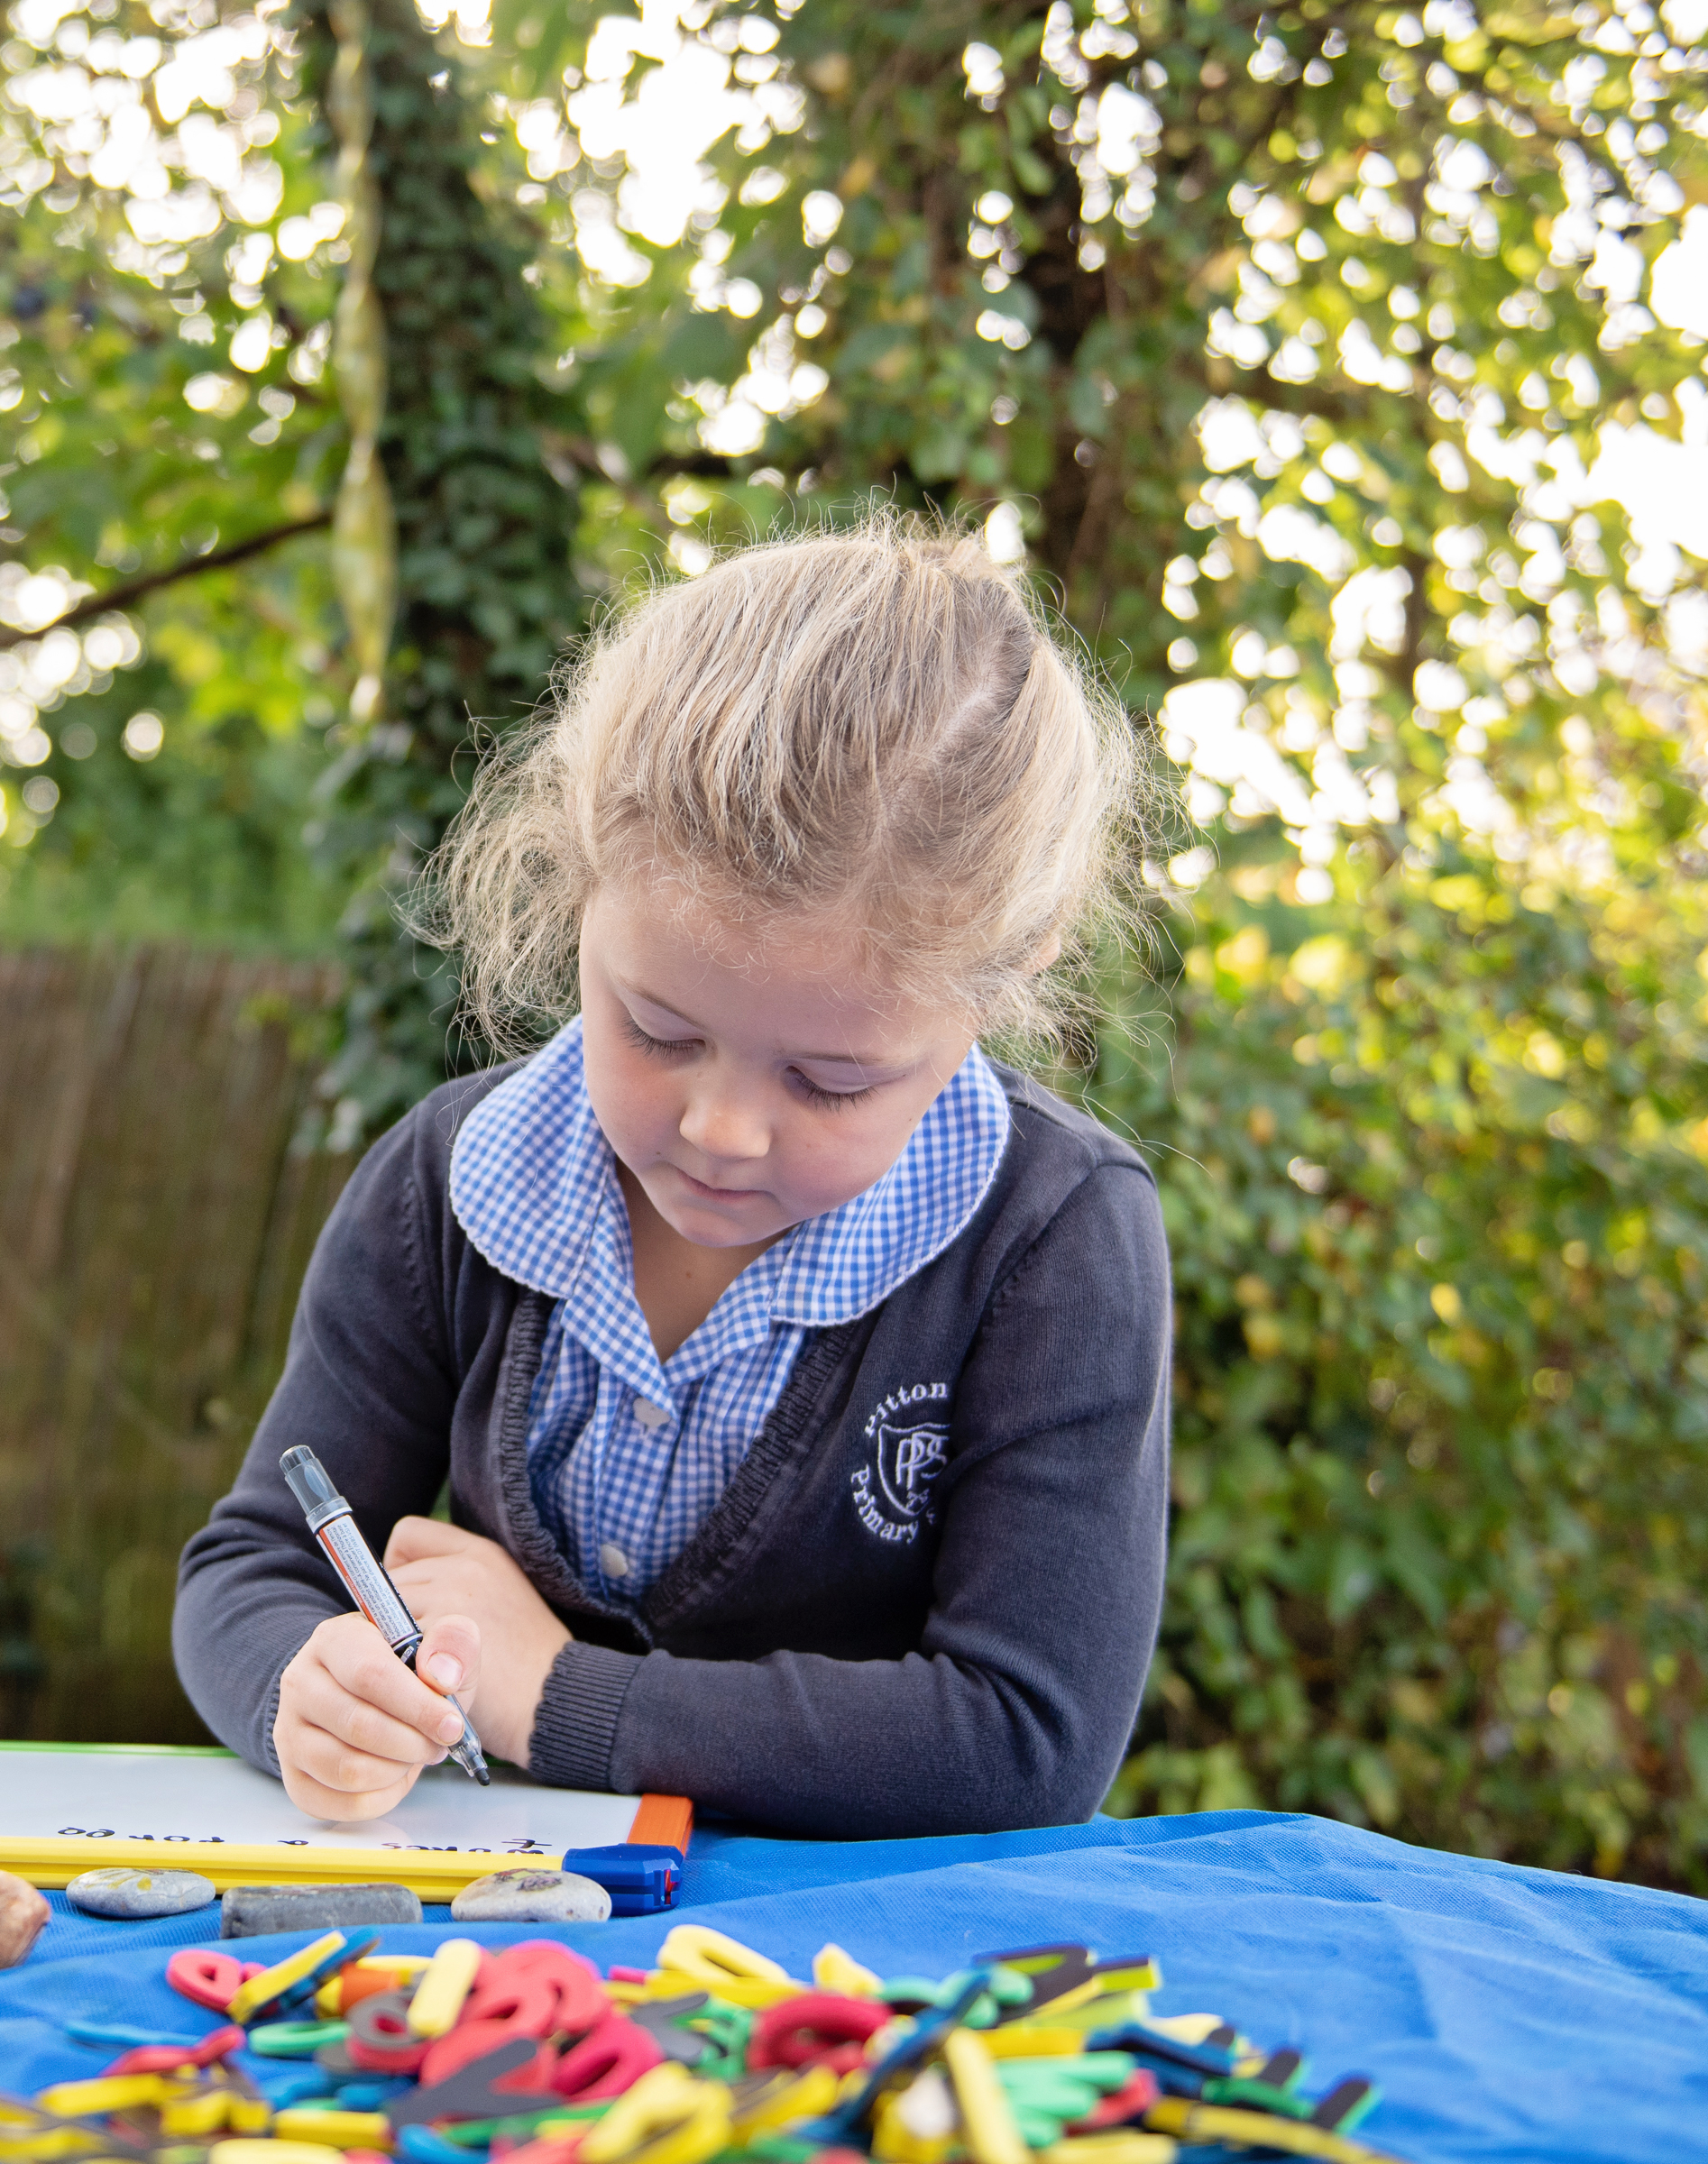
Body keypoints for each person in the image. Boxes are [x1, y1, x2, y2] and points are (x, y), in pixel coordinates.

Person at [171, 514, 1174, 1839]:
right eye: (656, 1029)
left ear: (1016, 964)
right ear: (578, 889)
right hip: (511, 1949)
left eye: (829, 1082)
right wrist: (307, 1689)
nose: (722, 1130)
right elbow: (252, 1566)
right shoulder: (451, 1181)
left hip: (865, 1970)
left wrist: (554, 1699)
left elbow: (1023, 1739)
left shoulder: (1053, 1238)